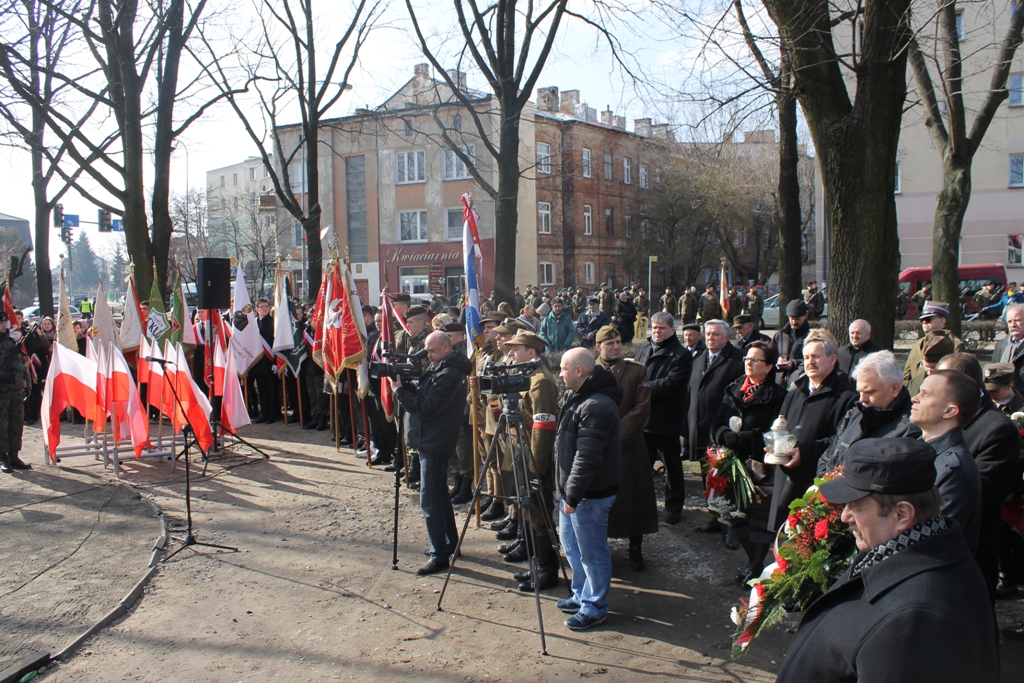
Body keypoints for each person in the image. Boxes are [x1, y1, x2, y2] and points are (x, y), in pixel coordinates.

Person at [775, 438, 999, 683]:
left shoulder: (918, 621)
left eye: (857, 505)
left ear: (901, 514)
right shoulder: (898, 550)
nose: (845, 516)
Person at [935, 353, 1022, 603]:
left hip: (969, 553)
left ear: (962, 383)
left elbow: (980, 493)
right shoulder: (942, 416)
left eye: (938, 380)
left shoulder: (996, 429)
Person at [394, 331, 472, 575]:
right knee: (438, 494)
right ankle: (449, 543)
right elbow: (425, 396)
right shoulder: (442, 368)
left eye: (431, 350)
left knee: (430, 498)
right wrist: (407, 384)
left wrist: (400, 392)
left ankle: (439, 554)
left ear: (446, 348)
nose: (427, 355)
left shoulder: (449, 373)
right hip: (431, 439)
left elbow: (426, 407)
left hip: (435, 441)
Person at [555, 348, 622, 631]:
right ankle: (581, 594)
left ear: (579, 371)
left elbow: (588, 456)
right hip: (573, 491)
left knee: (591, 551)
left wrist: (573, 494)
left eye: (563, 369)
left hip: (588, 494)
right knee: (571, 545)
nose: (559, 374)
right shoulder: (578, 397)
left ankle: (594, 606)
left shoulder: (595, 405)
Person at [710, 341, 786, 583]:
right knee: (734, 516)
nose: (749, 363)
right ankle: (750, 559)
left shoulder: (777, 396)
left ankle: (755, 564)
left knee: (758, 519)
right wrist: (723, 435)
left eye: (756, 360)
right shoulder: (734, 389)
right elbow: (717, 420)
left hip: (759, 466)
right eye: (747, 359)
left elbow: (775, 432)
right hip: (732, 463)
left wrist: (744, 438)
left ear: (769, 366)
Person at [769, 337, 857, 533]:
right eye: (806, 357)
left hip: (814, 481)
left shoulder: (846, 398)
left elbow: (840, 441)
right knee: (781, 537)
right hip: (785, 476)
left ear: (832, 360)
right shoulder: (794, 393)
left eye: (816, 357)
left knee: (803, 540)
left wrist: (806, 452)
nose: (810, 362)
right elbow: (780, 426)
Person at [501, 330, 561, 591]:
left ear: (531, 352)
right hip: (520, 448)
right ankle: (536, 563)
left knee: (539, 512)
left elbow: (543, 426)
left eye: (516, 349)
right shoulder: (526, 375)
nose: (511, 353)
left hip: (533, 453)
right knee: (527, 509)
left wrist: (536, 466)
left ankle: (548, 570)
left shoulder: (540, 382)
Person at [596, 325, 657, 571]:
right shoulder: (589, 370)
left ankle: (635, 547)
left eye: (619, 342)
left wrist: (617, 435)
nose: (616, 347)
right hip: (598, 448)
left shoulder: (636, 371)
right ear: (599, 346)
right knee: (601, 499)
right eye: (610, 343)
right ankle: (601, 548)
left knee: (634, 498)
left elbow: (641, 408)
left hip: (630, 446)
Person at [908, 370, 983, 553]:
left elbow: (934, 538)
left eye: (925, 394)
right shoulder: (921, 448)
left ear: (950, 411)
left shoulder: (953, 470)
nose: (914, 398)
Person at [687, 319, 745, 542]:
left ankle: (731, 526)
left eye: (716, 335)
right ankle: (714, 516)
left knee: (727, 478)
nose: (710, 338)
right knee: (708, 477)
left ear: (727, 337)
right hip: (702, 429)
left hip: (725, 430)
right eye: (708, 334)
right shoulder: (699, 358)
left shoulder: (737, 359)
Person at [818, 351, 919, 476]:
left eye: (870, 392)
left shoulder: (910, 431)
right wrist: (823, 485)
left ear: (894, 388)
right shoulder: (854, 414)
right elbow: (829, 457)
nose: (862, 399)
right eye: (860, 392)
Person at [635, 312, 692, 525]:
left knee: (672, 467)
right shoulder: (644, 348)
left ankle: (674, 507)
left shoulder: (681, 354)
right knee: (641, 467)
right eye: (655, 328)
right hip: (643, 419)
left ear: (672, 330)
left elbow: (672, 384)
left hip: (666, 420)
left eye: (662, 328)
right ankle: (642, 505)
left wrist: (642, 388)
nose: (657, 332)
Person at [903, 301, 965, 386]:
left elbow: (958, 378)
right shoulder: (918, 344)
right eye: (922, 320)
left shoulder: (954, 344)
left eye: (928, 319)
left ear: (942, 321)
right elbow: (906, 377)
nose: (924, 322)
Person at [0, 312, 30, 473]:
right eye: (1, 323)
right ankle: (2, 457)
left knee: (16, 424)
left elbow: (22, 365)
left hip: (16, 389)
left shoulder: (12, 343)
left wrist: (27, 385)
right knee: (1, 425)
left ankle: (14, 455)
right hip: (1, 393)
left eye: (5, 322)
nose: (4, 325)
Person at [252, 298, 279, 424]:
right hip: (258, 362)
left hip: (270, 361)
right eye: (262, 306)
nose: (265, 308)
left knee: (272, 389)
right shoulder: (253, 323)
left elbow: (276, 343)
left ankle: (273, 413)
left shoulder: (273, 322)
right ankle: (264, 412)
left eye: (266, 306)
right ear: (256, 309)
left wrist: (275, 362)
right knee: (261, 389)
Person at [772, 300, 810, 387]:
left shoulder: (810, 337)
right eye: (791, 318)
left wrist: (793, 363)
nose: (794, 322)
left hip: (798, 383)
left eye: (797, 319)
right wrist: (777, 360)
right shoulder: (779, 335)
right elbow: (769, 356)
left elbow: (812, 360)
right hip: (779, 382)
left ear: (806, 316)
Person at [991, 303, 1024, 394]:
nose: (1013, 325)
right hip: (1003, 401)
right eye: (1009, 321)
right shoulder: (1000, 345)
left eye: (1017, 320)